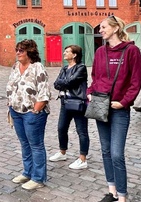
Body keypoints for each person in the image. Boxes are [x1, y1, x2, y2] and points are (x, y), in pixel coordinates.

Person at [88, 15, 141, 202]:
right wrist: (90, 92)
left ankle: (122, 200)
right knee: (104, 150)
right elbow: (95, 78)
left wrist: (125, 101)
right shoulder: (100, 52)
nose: (100, 30)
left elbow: (136, 80)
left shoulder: (131, 51)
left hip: (119, 109)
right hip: (101, 106)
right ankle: (111, 192)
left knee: (117, 154)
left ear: (115, 28)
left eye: (103, 27)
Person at [6, 39, 51, 190]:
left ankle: (38, 178)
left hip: (32, 113)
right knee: (24, 143)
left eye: (21, 50)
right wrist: (10, 105)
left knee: (36, 145)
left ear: (29, 52)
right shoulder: (15, 66)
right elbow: (11, 87)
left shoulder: (37, 67)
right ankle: (27, 172)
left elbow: (44, 93)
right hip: (16, 111)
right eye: (17, 50)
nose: (18, 53)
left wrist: (36, 109)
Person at [50, 45, 90, 170]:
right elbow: (56, 84)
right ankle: (62, 152)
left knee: (81, 131)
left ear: (75, 55)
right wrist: (64, 82)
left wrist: (64, 82)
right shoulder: (64, 68)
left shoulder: (81, 68)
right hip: (65, 102)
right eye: (65, 51)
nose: (64, 53)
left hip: (78, 103)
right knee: (61, 128)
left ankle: (83, 159)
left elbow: (70, 82)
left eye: (67, 52)